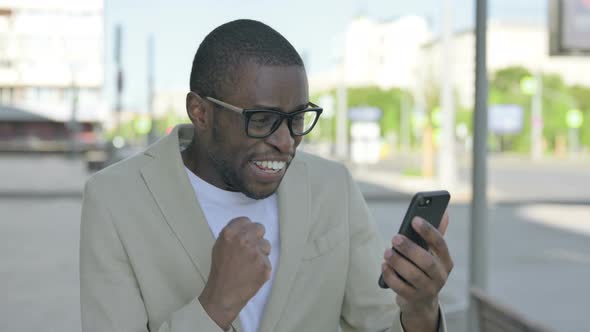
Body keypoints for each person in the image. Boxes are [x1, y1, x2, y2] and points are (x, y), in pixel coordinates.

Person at [80, 19, 454, 332]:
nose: (285, 141)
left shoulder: (332, 187)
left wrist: (419, 310)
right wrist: (215, 306)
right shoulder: (115, 198)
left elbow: (380, 323)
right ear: (201, 112)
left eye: (296, 120)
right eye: (261, 120)